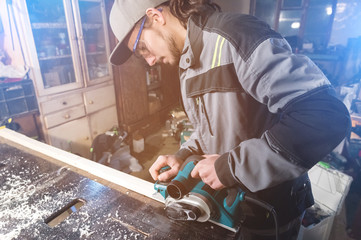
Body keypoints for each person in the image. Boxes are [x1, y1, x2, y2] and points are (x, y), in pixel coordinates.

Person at [108, 0, 351, 239]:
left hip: (269, 210)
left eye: (142, 47)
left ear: (155, 16)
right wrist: (182, 156)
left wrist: (231, 167)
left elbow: (325, 115)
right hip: (227, 206)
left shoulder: (235, 36)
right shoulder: (188, 61)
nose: (149, 60)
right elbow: (212, 127)